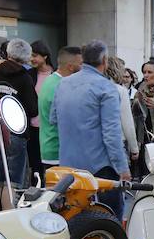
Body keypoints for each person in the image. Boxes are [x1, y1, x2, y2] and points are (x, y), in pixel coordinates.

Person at [50, 40, 128, 215]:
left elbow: (53, 119)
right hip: (100, 166)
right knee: (110, 219)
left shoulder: (63, 84)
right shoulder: (107, 88)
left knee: (71, 216)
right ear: (105, 60)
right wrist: (122, 168)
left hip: (68, 163)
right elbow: (111, 133)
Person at [0, 38, 39, 209]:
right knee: (12, 181)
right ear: (25, 58)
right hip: (16, 133)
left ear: (7, 53)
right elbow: (33, 109)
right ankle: (8, 223)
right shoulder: (25, 77)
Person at [38, 45, 81, 166]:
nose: (84, 68)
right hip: (59, 152)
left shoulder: (50, 81)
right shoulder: (61, 86)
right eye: (81, 64)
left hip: (50, 148)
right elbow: (68, 121)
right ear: (71, 67)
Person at [103, 55, 141, 174]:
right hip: (116, 142)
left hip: (94, 145)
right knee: (117, 182)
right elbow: (127, 122)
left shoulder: (93, 87)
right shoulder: (120, 90)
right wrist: (134, 148)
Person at [28, 39, 54, 179]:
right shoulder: (29, 75)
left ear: (44, 56)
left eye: (35, 55)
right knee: (36, 168)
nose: (32, 59)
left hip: (50, 128)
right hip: (33, 127)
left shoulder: (55, 75)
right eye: (31, 55)